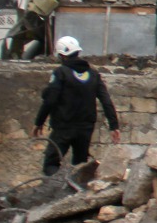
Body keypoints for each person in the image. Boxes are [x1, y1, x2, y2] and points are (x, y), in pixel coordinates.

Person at [32, 35, 121, 176]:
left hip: (63, 127)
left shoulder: (61, 73)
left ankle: (55, 192)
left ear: (61, 55)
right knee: (80, 166)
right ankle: (75, 193)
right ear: (78, 52)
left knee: (51, 163)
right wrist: (114, 126)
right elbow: (106, 101)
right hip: (85, 129)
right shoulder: (93, 74)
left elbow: (50, 99)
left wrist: (39, 123)